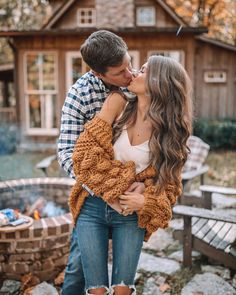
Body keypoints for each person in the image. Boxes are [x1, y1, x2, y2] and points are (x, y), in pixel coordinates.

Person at [69, 55, 192, 295]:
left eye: (145, 70)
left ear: (160, 82)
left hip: (130, 212)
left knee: (123, 289)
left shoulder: (171, 131)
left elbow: (170, 189)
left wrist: (146, 199)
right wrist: (128, 182)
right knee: (96, 289)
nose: (135, 72)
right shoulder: (117, 104)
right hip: (92, 207)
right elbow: (84, 158)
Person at [58, 30, 144, 295]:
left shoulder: (140, 85)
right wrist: (106, 191)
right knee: (77, 270)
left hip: (130, 196)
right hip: (92, 198)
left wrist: (146, 188)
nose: (129, 74)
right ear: (98, 74)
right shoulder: (79, 96)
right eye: (120, 72)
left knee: (124, 279)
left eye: (130, 64)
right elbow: (67, 155)